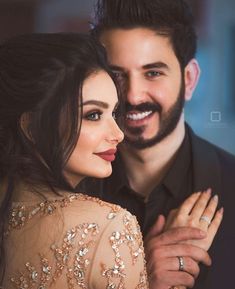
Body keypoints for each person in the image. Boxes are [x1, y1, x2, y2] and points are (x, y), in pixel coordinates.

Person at [77, 0, 235, 288]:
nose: (134, 96)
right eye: (116, 75)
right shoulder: (65, 191)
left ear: (189, 79)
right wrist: (137, 278)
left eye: (153, 73)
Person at [0, 33, 149, 289]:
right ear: (32, 127)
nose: (118, 134)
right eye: (93, 115)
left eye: (114, 113)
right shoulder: (109, 227)